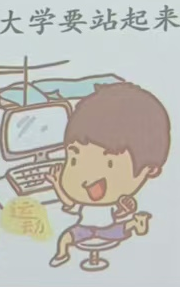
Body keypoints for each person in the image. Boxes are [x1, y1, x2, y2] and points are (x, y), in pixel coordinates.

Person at [49, 82, 171, 270]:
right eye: (74, 160)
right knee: (65, 238)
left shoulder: (115, 202)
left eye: (110, 164)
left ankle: (137, 224)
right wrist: (57, 184)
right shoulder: (83, 204)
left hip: (109, 231)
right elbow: (69, 203)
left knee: (124, 227)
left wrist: (126, 210)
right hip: (85, 230)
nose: (87, 179)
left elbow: (119, 213)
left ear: (149, 170)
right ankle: (61, 254)